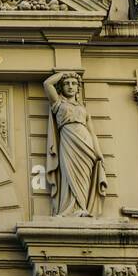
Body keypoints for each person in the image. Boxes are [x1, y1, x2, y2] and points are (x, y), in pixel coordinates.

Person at [43, 71, 108, 217]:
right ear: (61, 87)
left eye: (74, 83)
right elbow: (47, 84)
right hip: (68, 140)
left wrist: (99, 153)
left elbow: (92, 132)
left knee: (84, 176)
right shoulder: (58, 103)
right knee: (68, 174)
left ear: (78, 88)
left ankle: (82, 207)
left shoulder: (83, 108)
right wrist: (64, 73)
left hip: (86, 144)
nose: (70, 86)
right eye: (66, 84)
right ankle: (69, 208)